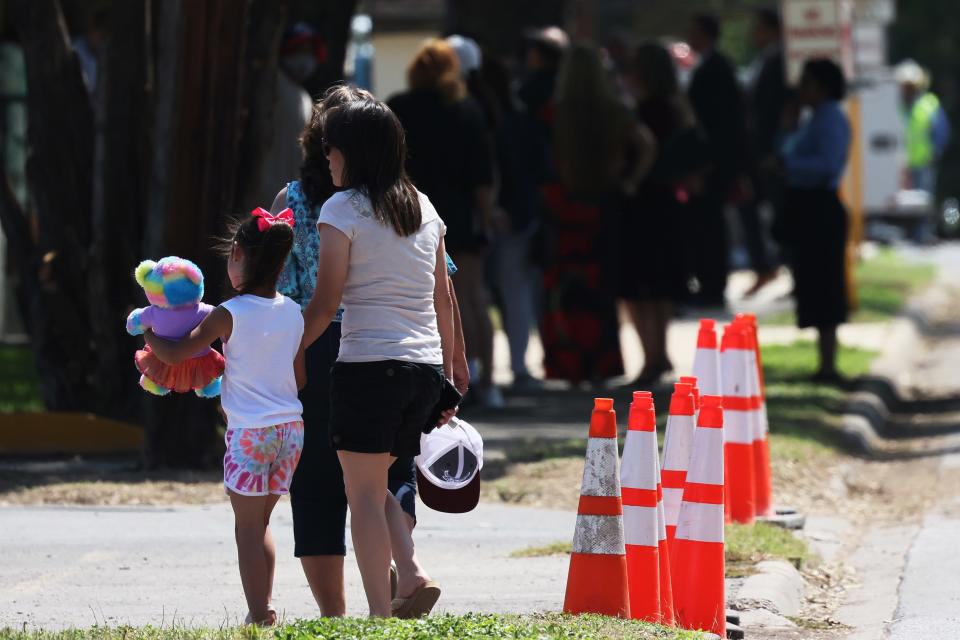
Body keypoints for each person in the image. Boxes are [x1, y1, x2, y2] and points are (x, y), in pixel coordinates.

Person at [273, 85, 467, 619]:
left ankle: (379, 616)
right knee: (386, 480)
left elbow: (323, 300)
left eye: (333, 147)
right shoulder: (422, 205)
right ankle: (409, 571)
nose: (326, 156)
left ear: (351, 151)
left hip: (363, 364)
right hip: (424, 367)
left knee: (354, 493)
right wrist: (456, 366)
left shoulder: (339, 207)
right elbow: (442, 293)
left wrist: (285, 353)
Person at [144, 212, 306, 626]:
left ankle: (260, 613)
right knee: (261, 522)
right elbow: (299, 376)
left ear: (237, 255)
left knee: (247, 529)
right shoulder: (292, 311)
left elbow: (177, 354)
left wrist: (147, 331)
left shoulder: (226, 313)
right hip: (291, 432)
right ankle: (262, 607)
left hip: (251, 434)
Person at [387, 40, 500, 408]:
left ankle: (439, 375)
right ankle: (487, 379)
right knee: (470, 296)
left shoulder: (401, 107)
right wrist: (485, 219)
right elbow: (482, 174)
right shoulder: (466, 109)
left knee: (425, 297)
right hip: (460, 213)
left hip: (411, 212)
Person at [539, 44, 652, 385]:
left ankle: (569, 365)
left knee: (565, 290)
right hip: (604, 207)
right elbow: (647, 144)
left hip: (565, 209)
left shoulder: (553, 113)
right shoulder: (614, 110)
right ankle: (602, 363)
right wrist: (630, 180)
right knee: (601, 291)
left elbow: (545, 163)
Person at [621, 42, 706, 386]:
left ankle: (650, 359)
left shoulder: (643, 110)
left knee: (640, 285)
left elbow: (642, 150)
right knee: (662, 285)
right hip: (670, 200)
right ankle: (660, 352)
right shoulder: (678, 108)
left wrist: (631, 179)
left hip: (642, 199)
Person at [779, 59, 851, 382]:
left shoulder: (832, 119)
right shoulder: (811, 119)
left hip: (822, 206)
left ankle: (829, 364)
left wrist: (788, 163)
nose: (801, 90)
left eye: (806, 83)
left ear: (822, 86)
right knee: (811, 283)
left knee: (826, 284)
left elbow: (826, 164)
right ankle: (822, 363)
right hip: (806, 207)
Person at [481, 54, 548, 391]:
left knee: (480, 292)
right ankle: (518, 364)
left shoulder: (487, 119)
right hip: (519, 214)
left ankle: (481, 367)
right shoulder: (522, 119)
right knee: (515, 291)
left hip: (495, 213)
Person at [686, 13, 747, 308]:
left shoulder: (716, 68)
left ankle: (712, 285)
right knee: (705, 227)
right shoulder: (711, 66)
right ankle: (709, 282)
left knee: (710, 227)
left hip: (712, 164)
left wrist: (708, 163)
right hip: (712, 161)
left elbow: (721, 122)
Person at [740, 8, 790, 296]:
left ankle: (784, 267)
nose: (754, 35)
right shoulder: (763, 61)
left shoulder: (778, 61)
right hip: (757, 152)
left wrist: (773, 149)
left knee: (781, 211)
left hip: (771, 152)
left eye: (759, 28)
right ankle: (765, 267)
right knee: (752, 209)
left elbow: (774, 108)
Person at [255, 23, 322, 208]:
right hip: (263, 189)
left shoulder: (303, 96)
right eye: (298, 50)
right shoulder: (272, 84)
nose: (304, 58)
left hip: (289, 195)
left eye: (309, 51)